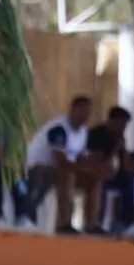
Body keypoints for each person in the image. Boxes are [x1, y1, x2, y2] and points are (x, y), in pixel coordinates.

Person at [22, 96, 100, 235]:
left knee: (94, 180)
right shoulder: (59, 128)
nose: (85, 116)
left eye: (88, 112)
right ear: (72, 110)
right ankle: (63, 222)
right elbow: (62, 162)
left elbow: (83, 159)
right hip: (39, 167)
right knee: (68, 175)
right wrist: (83, 168)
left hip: (59, 170)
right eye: (81, 111)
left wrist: (92, 170)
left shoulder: (83, 132)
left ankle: (91, 224)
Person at [85, 105, 134, 234]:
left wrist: (124, 149)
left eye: (125, 126)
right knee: (101, 180)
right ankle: (96, 223)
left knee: (128, 180)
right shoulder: (97, 134)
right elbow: (100, 164)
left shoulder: (120, 138)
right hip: (93, 173)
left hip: (110, 174)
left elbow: (127, 167)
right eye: (121, 124)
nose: (123, 129)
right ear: (111, 121)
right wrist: (115, 148)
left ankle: (125, 223)